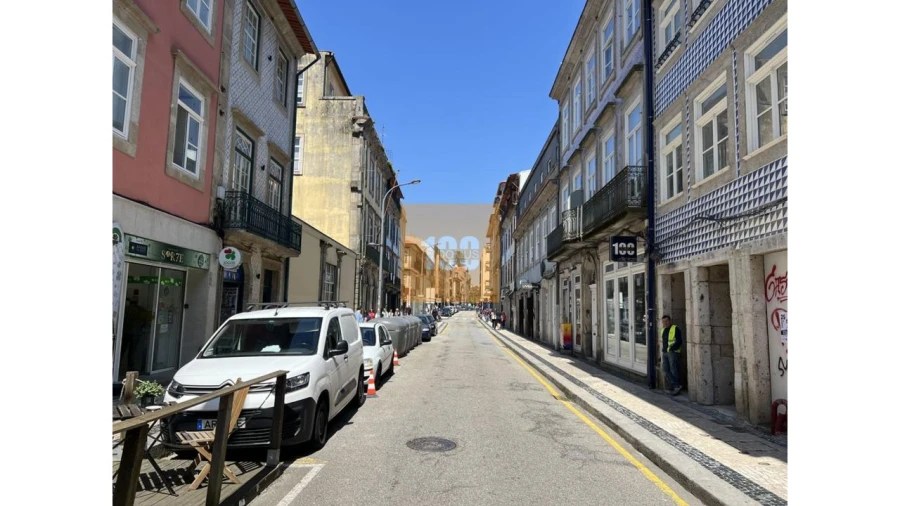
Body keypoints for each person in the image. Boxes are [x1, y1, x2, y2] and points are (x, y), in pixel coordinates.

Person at [661, 315, 683, 395]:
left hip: (673, 352)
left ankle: (676, 386)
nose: (665, 323)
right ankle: (674, 385)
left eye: (666, 321)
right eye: (663, 321)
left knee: (673, 369)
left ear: (670, 321)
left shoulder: (675, 328)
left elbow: (679, 341)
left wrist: (672, 348)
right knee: (665, 370)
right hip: (665, 352)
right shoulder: (663, 330)